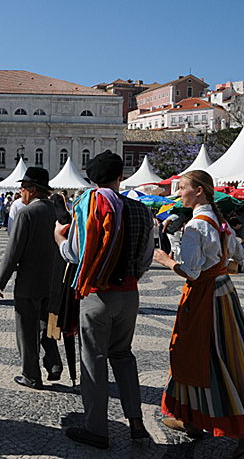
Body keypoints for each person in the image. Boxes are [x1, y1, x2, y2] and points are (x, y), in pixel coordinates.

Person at [153, 170, 244, 458]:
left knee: (206, 356)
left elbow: (191, 271)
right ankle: (191, 417)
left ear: (199, 191)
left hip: (205, 299)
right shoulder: (219, 221)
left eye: (184, 188)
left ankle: (243, 424)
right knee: (225, 354)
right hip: (223, 294)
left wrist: (166, 260)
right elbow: (238, 256)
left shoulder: (195, 227)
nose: (179, 194)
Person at [53, 151, 153, 449]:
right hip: (130, 294)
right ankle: (136, 423)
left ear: (91, 179)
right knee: (123, 355)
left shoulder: (89, 206)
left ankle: (96, 428)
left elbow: (74, 253)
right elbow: (147, 258)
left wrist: (59, 238)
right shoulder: (142, 210)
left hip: (97, 294)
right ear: (120, 176)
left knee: (94, 359)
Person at [0, 167, 63, 390]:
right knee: (47, 324)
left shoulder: (27, 214)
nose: (20, 193)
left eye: (22, 189)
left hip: (29, 282)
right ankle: (53, 363)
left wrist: (1, 280)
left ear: (32, 190)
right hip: (54, 281)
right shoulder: (59, 212)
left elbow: (14, 250)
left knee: (26, 329)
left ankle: (31, 375)